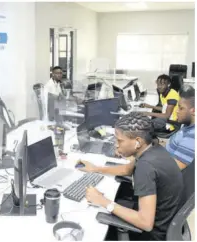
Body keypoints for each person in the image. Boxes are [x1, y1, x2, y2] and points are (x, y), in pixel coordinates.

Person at [76, 112, 183, 241]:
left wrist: (102, 201)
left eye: (119, 140)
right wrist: (96, 168)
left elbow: (146, 223)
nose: (116, 145)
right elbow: (127, 169)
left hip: (152, 234)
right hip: (162, 218)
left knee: (89, 229)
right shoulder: (152, 147)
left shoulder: (146, 167)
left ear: (137, 142)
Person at [166, 85, 195, 170]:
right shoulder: (186, 125)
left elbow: (172, 171)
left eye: (181, 108)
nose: (177, 111)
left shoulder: (192, 138)